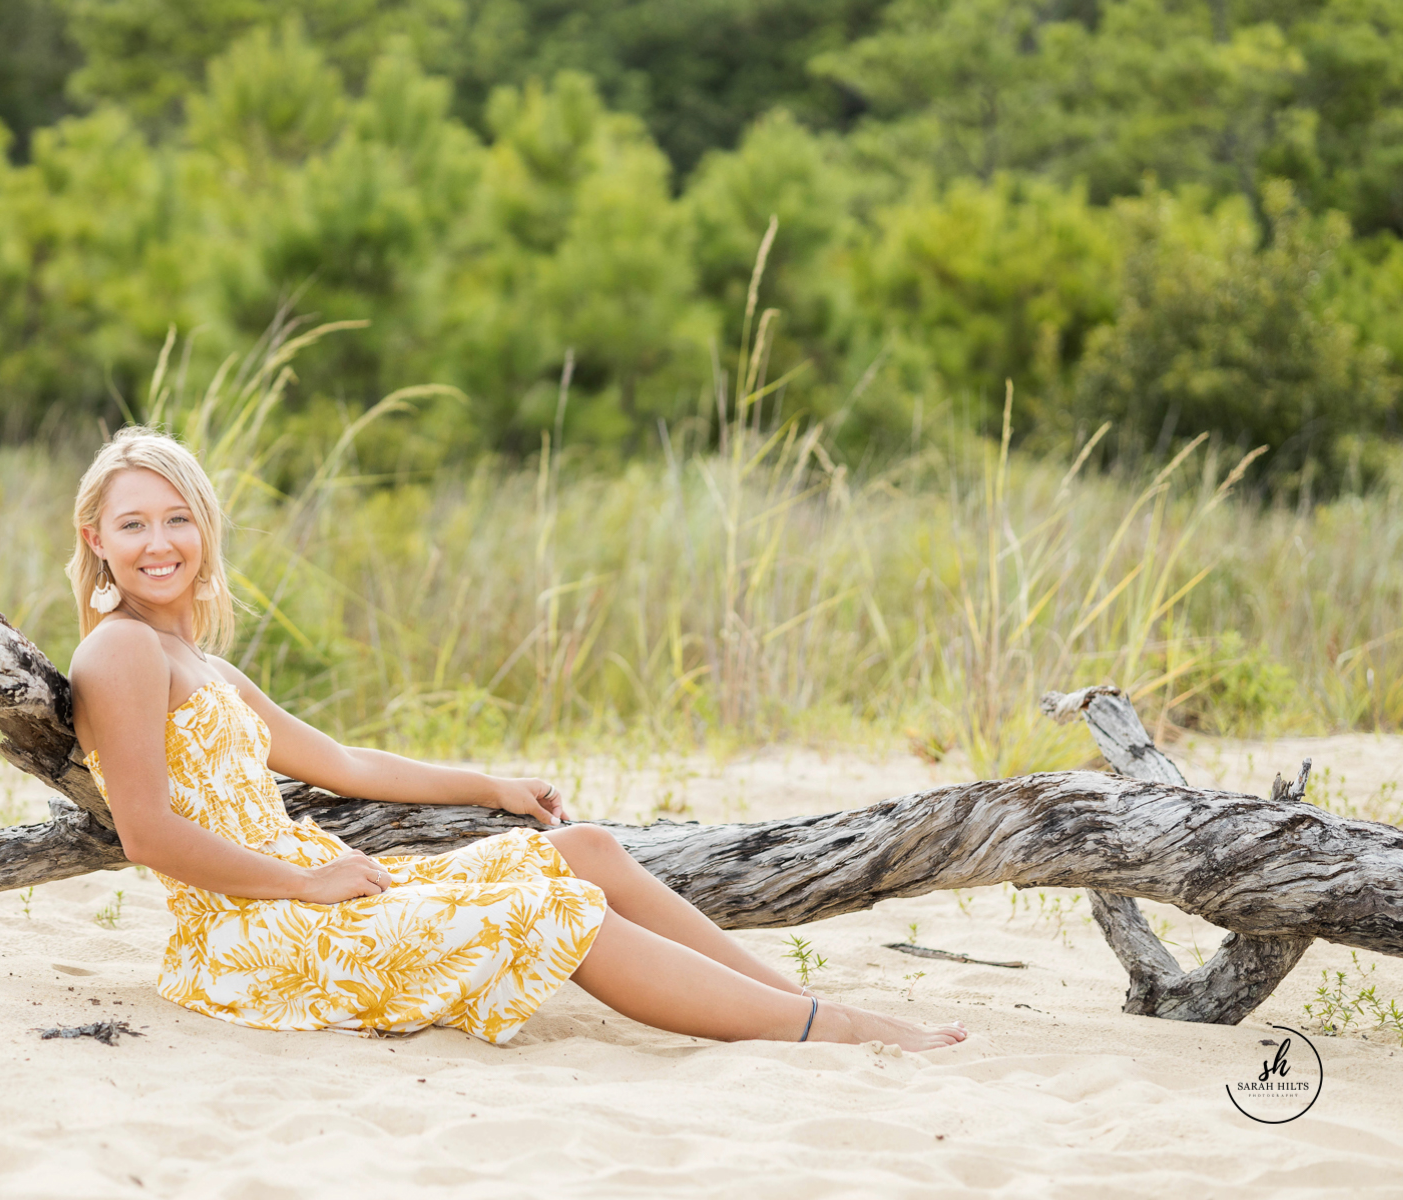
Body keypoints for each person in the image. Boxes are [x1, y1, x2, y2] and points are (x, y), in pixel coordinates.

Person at [66, 426, 969, 1051]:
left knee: (583, 850)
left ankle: (795, 1000)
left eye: (177, 517)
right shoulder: (119, 652)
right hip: (250, 939)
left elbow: (343, 763)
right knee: (544, 907)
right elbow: (148, 834)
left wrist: (490, 786)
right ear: (96, 537)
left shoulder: (198, 662)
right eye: (134, 523)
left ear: (205, 529)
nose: (160, 542)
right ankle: (825, 1030)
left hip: (304, 896)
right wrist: (307, 882)